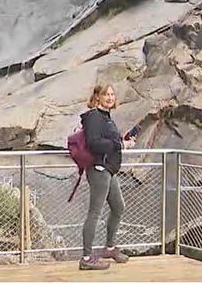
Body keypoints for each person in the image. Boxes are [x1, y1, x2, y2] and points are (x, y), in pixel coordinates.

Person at [78, 84, 135, 270]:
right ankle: (86, 258)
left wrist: (122, 142)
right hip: (99, 170)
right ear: (97, 97)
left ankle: (109, 248)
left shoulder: (106, 117)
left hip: (109, 169)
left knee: (118, 207)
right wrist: (120, 145)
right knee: (94, 213)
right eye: (106, 94)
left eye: (112, 94)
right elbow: (94, 143)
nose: (110, 97)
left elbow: (108, 141)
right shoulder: (94, 116)